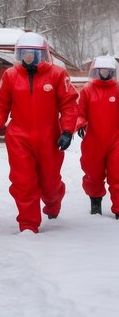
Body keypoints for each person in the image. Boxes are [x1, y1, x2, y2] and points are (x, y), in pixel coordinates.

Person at [0, 32, 78, 234]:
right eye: (24, 53)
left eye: (32, 53)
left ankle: (52, 202)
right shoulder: (11, 75)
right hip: (19, 136)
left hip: (49, 136)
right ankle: (28, 223)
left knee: (50, 182)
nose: (28, 57)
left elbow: (69, 104)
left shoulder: (57, 74)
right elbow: (1, 102)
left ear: (41, 54)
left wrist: (67, 130)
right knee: (23, 181)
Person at [75, 55, 119, 218]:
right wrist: (80, 123)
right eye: (102, 70)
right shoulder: (87, 90)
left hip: (116, 139)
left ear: (112, 72)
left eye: (108, 70)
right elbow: (80, 111)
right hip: (93, 140)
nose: (105, 73)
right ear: (96, 71)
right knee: (93, 174)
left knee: (118, 174)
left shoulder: (118, 89)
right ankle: (95, 203)